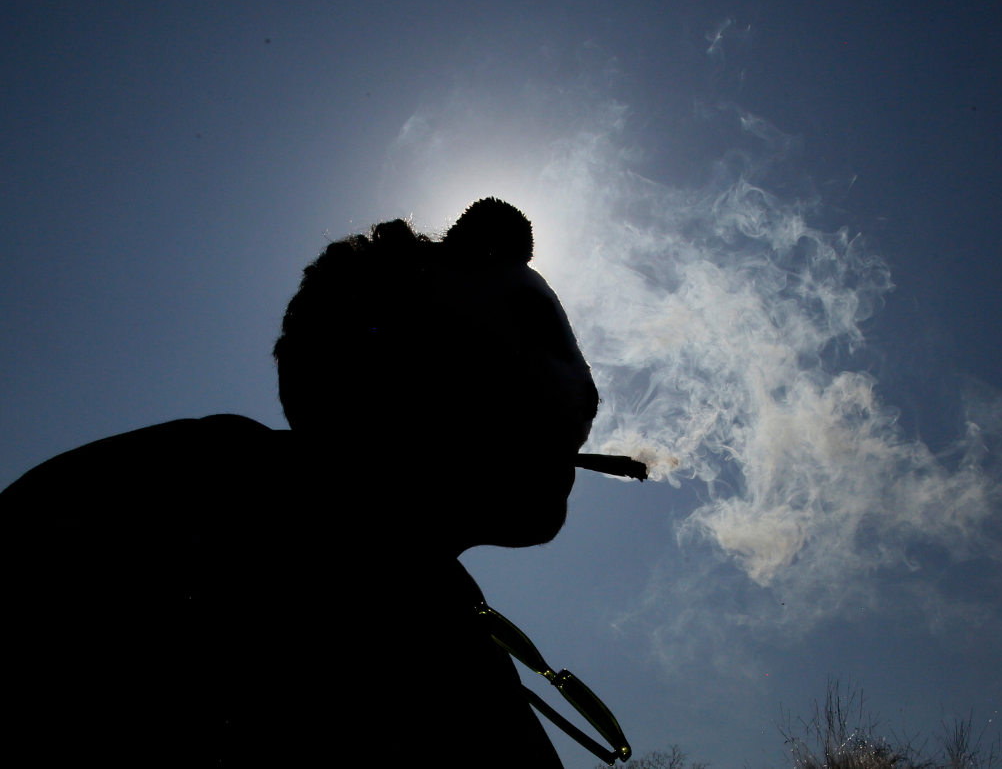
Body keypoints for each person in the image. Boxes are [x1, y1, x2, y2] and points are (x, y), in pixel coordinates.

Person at [3, 198, 600, 766]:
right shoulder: (184, 496)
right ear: (386, 358)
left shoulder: (458, 627)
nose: (587, 397)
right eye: (530, 335)